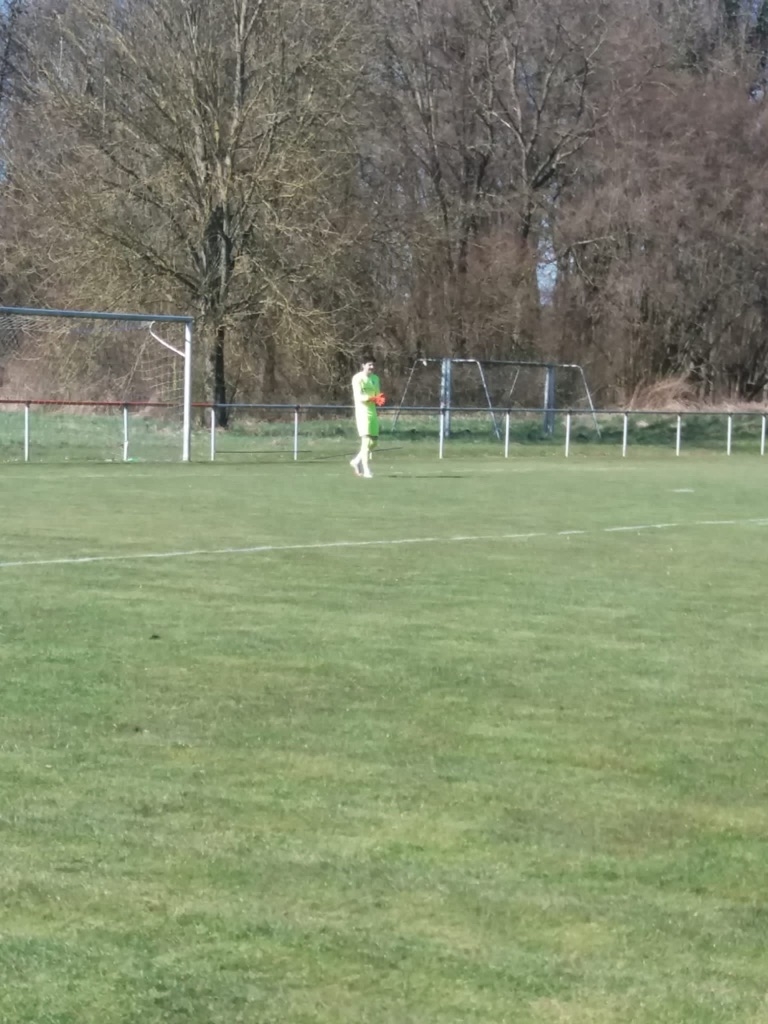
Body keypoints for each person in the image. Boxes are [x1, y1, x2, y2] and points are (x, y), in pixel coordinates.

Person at [350, 356, 383, 478]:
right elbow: (358, 396)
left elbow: (377, 394)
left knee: (373, 442)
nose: (372, 367)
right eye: (369, 365)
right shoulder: (357, 378)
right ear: (363, 365)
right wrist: (370, 398)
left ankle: (356, 461)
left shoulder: (375, 378)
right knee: (366, 441)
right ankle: (366, 470)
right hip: (362, 411)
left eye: (373, 365)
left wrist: (379, 399)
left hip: (372, 411)